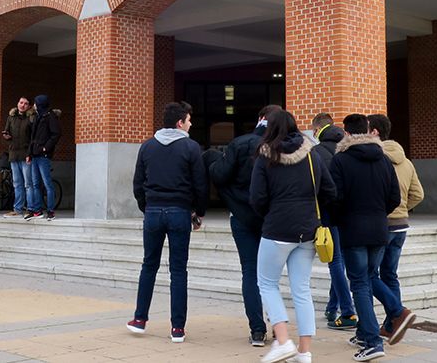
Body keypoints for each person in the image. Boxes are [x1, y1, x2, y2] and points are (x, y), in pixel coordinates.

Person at [251, 110, 336, 363]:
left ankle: (282, 340)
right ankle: (305, 352)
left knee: (266, 283)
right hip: (309, 229)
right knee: (301, 289)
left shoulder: (265, 156)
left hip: (277, 228)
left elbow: (256, 198)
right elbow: (330, 190)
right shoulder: (312, 155)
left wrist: (272, 213)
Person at [127, 102, 208, 343]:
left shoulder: (147, 146)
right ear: (179, 123)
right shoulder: (191, 148)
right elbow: (200, 185)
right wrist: (198, 212)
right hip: (179, 212)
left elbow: (137, 182)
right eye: (189, 120)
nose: (191, 124)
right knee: (178, 270)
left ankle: (140, 320)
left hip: (153, 211)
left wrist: (146, 206)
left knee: (148, 265)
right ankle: (177, 329)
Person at [208, 104, 281, 347]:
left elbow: (220, 175)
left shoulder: (240, 144)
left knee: (249, 271)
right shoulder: (285, 147)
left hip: (241, 216)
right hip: (272, 219)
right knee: (271, 277)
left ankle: (257, 330)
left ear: (260, 118)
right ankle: (277, 326)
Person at [330, 113, 402, 362]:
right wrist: (378, 214)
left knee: (360, 284)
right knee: (370, 278)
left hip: (353, 231)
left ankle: (372, 341)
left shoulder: (340, 160)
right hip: (379, 229)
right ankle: (371, 329)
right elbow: (394, 197)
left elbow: (334, 198)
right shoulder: (383, 159)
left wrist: (339, 219)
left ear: (347, 133)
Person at [372, 113, 422, 344]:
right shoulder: (407, 161)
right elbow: (418, 195)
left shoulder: (375, 158)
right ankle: (393, 325)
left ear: (374, 133)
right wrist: (402, 208)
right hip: (401, 225)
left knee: (369, 274)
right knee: (390, 275)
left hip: (382, 224)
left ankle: (397, 312)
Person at [311, 112, 355, 331]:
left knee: (335, 261)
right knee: (340, 261)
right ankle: (332, 306)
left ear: (317, 129)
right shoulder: (347, 148)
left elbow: (316, 186)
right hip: (351, 214)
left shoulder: (316, 152)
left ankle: (347, 310)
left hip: (329, 214)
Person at [25, 94, 61, 221]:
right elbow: (32, 138)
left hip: (43, 155)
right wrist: (29, 154)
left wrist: (46, 147)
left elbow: (56, 134)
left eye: (35, 103)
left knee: (47, 184)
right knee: (35, 184)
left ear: (40, 104)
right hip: (34, 155)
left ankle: (50, 211)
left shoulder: (50, 116)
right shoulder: (37, 117)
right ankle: (37, 210)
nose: (34, 105)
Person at [1, 97, 33, 217]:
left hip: (26, 155)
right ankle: (18, 209)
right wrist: (7, 136)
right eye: (21, 102)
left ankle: (31, 209)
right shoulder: (11, 118)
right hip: (13, 155)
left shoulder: (31, 118)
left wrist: (30, 154)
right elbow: (7, 131)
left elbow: (33, 138)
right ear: (17, 103)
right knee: (17, 183)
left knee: (28, 184)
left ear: (29, 106)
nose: (22, 105)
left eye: (25, 103)